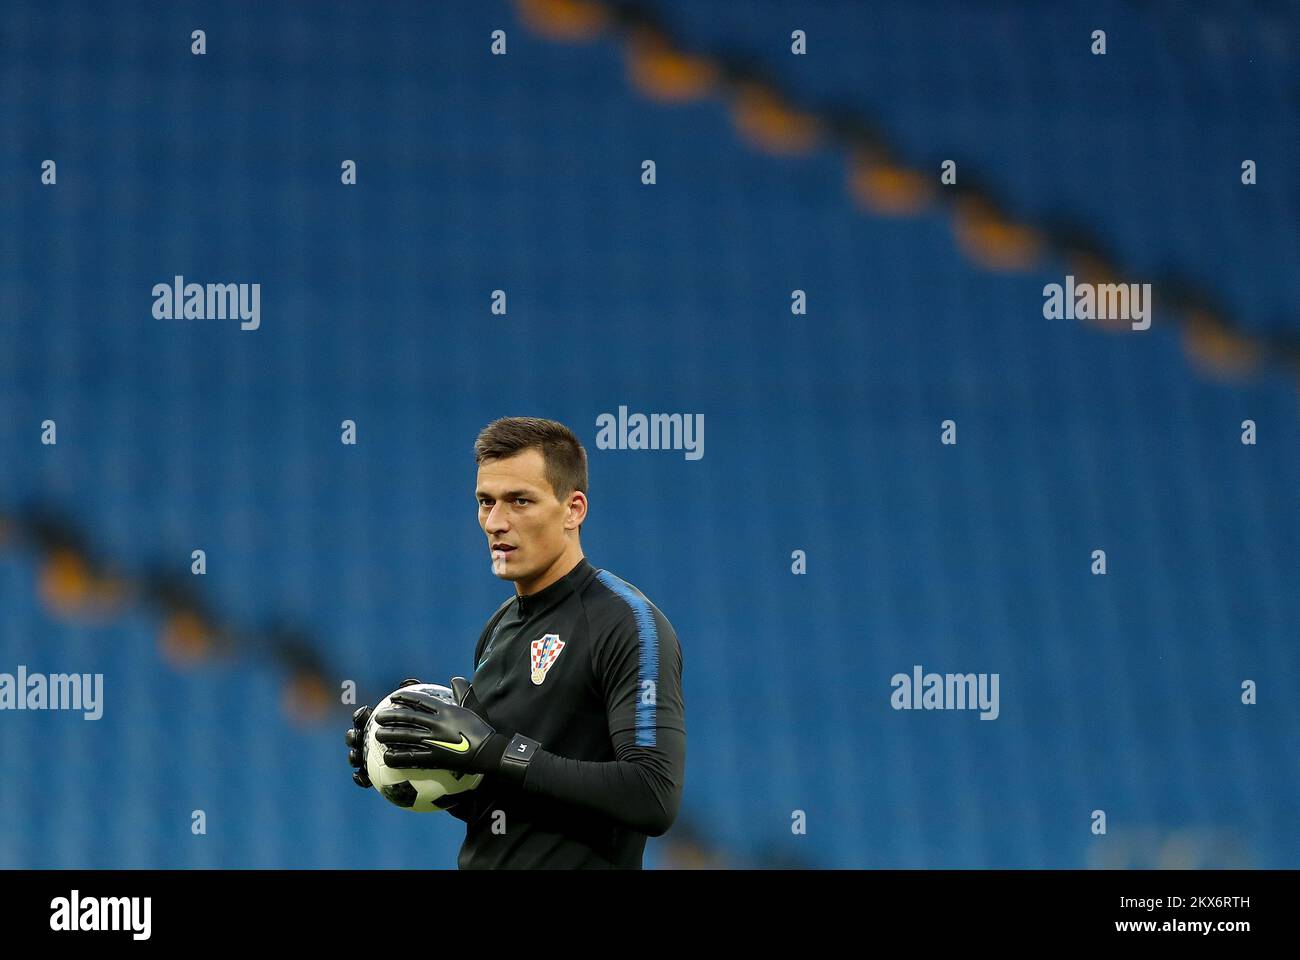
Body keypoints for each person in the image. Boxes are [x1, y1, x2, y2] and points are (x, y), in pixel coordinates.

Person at [346, 416, 686, 868]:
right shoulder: (498, 628)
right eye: (485, 502)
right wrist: (409, 758)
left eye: (519, 501)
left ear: (574, 508)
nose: (495, 522)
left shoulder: (627, 623)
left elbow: (652, 795)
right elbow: (504, 805)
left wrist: (492, 750)